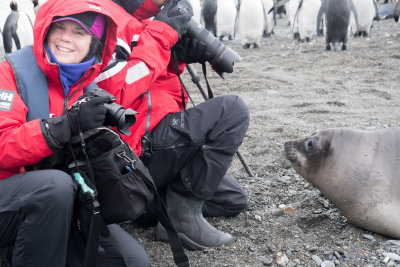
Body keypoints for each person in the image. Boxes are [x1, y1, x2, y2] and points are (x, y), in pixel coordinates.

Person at [0, 0, 190, 264]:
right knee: (55, 187)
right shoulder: (11, 73)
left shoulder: (88, 85)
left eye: (79, 32)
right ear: (45, 29)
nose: (66, 38)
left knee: (132, 261)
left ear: (96, 42)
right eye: (60, 28)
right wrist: (64, 126)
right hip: (10, 201)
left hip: (59, 207)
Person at [96, 0, 250, 250]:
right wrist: (161, 36)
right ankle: (180, 218)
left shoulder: (145, 19)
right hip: (133, 151)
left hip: (159, 138)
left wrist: (175, 56)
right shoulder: (109, 20)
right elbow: (114, 93)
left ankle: (149, 206)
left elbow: (150, 77)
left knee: (232, 199)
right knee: (231, 110)